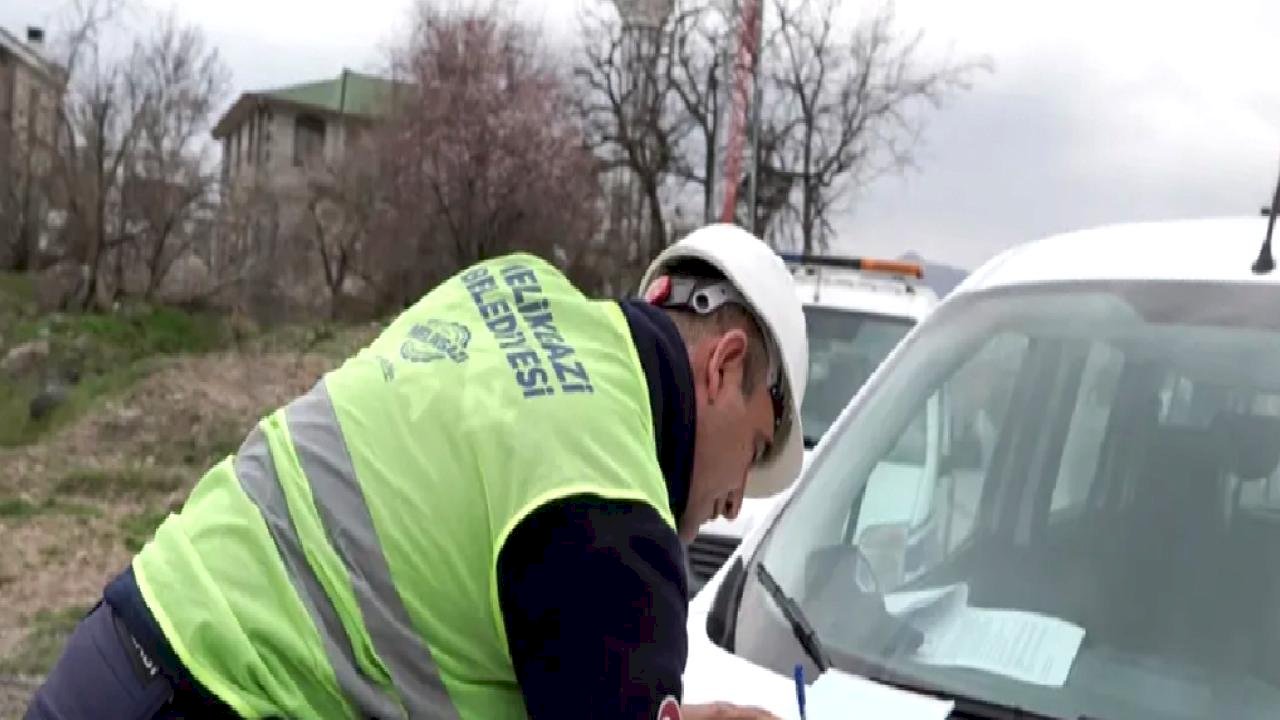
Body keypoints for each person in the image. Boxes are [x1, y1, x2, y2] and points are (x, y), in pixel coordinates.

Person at [24, 222, 808, 720]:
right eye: (757, 449)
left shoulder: (516, 286)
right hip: (221, 697)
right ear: (723, 366)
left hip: (127, 640)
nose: (737, 503)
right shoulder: (615, 510)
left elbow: (462, 587)